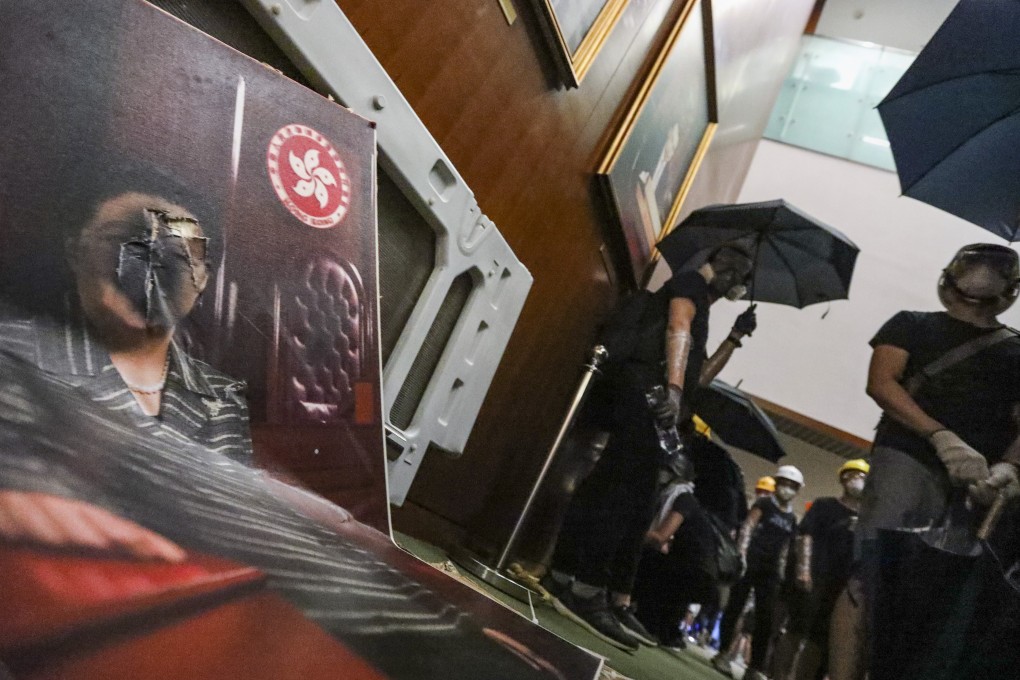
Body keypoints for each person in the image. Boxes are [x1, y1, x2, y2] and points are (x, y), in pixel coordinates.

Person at [0, 191, 251, 560]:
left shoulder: (222, 395)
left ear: (202, 278)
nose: (147, 257)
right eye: (122, 237)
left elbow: (239, 526)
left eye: (176, 248)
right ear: (76, 253)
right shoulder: (13, 352)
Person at [542, 244, 757, 650]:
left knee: (616, 486)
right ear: (727, 269)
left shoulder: (703, 304)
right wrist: (673, 392)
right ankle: (586, 589)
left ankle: (569, 575)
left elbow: (701, 375)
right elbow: (678, 328)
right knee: (623, 492)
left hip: (658, 401)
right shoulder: (690, 284)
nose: (742, 287)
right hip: (649, 394)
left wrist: (735, 338)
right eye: (742, 277)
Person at [829, 244, 1020, 680]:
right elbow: (881, 383)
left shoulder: (1015, 350)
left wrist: (1009, 469)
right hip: (906, 454)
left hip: (977, 481)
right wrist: (941, 436)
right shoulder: (911, 324)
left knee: (935, 588)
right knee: (872, 573)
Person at [772, 459, 869, 680]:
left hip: (839, 588)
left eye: (863, 477)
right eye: (854, 475)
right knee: (795, 632)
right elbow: (805, 535)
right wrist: (803, 570)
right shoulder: (824, 506)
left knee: (818, 641)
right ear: (843, 478)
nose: (859, 481)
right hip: (813, 579)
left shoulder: (866, 520)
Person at [711, 465, 803, 680]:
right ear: (777, 483)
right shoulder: (764, 504)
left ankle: (755, 667)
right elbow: (748, 527)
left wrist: (781, 571)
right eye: (784, 483)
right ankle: (723, 653)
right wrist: (741, 555)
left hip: (770, 572)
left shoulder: (791, 519)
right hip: (750, 563)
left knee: (766, 618)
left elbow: (786, 548)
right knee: (735, 606)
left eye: (792, 486)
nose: (787, 489)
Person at [632, 460, 719, 651]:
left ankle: (642, 618)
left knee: (646, 558)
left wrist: (629, 530)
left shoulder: (682, 498)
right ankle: (667, 629)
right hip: (701, 578)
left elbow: (659, 538)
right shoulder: (690, 501)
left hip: (691, 576)